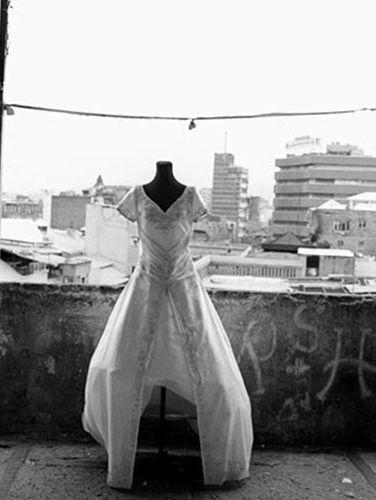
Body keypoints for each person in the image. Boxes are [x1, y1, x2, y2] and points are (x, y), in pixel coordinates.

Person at [82, 160, 253, 489]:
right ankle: (122, 460)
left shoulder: (192, 197)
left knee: (214, 379)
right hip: (144, 286)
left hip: (184, 286)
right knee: (117, 372)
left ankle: (215, 459)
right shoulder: (136, 197)